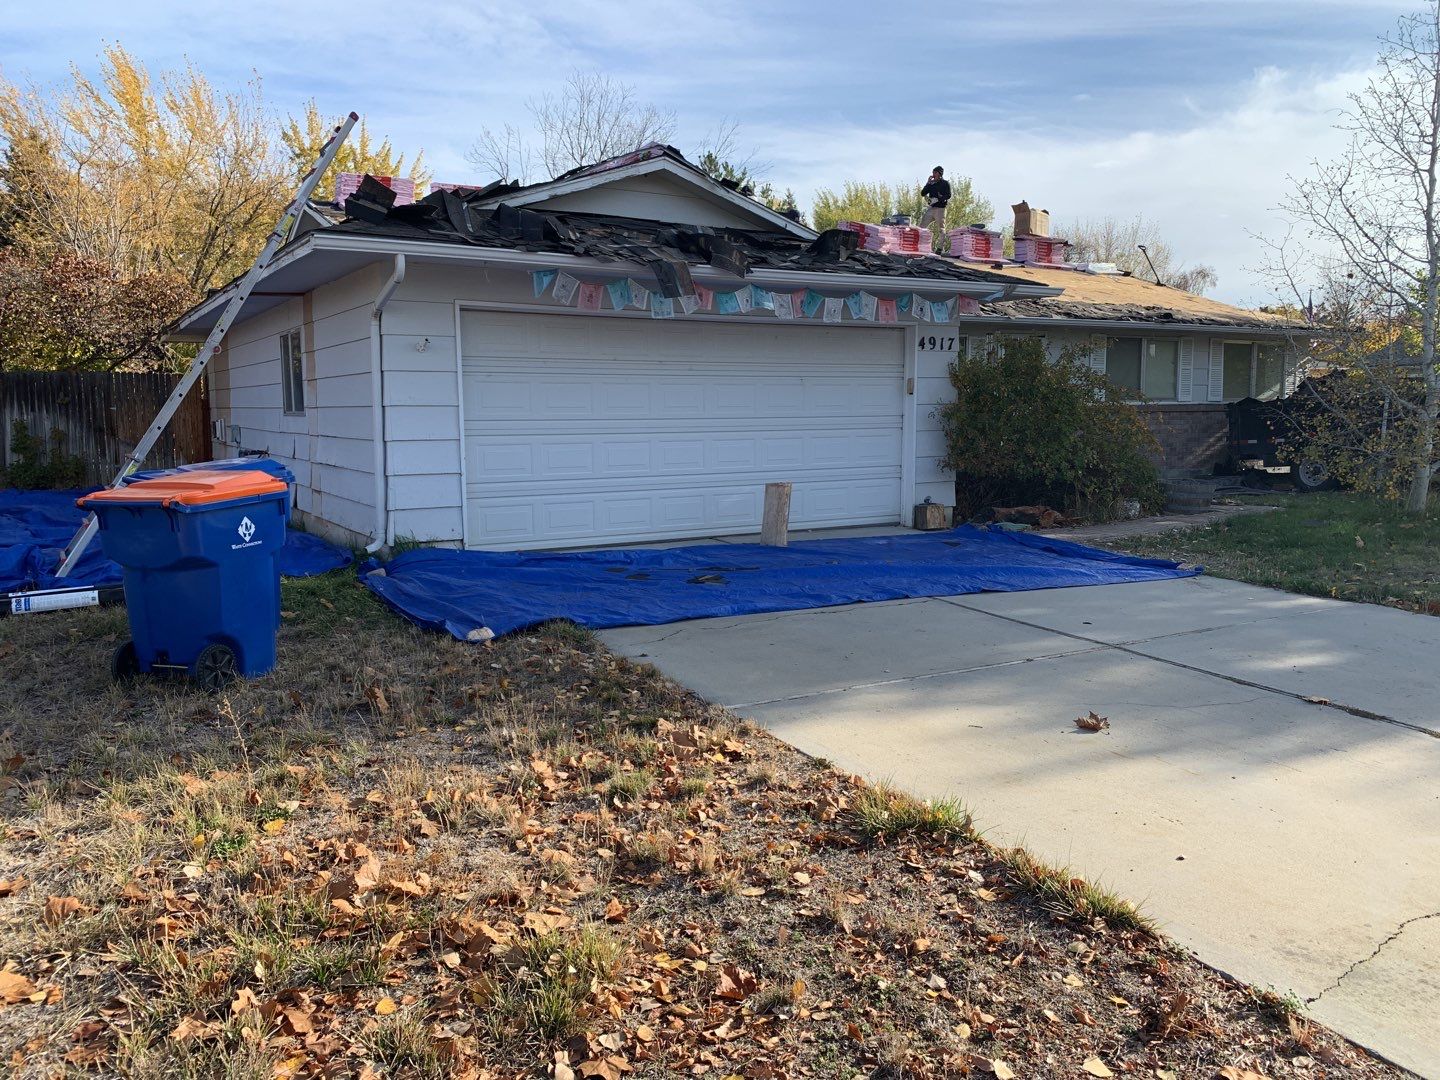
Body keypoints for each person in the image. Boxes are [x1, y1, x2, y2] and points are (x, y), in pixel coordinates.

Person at [919, 166, 951, 236]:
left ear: (939, 174)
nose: (933, 175)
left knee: (941, 228)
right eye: (932, 172)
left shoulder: (945, 183)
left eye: (935, 173)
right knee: (921, 227)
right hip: (931, 208)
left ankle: (940, 247)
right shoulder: (931, 184)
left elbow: (948, 195)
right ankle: (920, 244)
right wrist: (928, 183)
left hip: (941, 209)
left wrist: (939, 199)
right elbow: (923, 193)